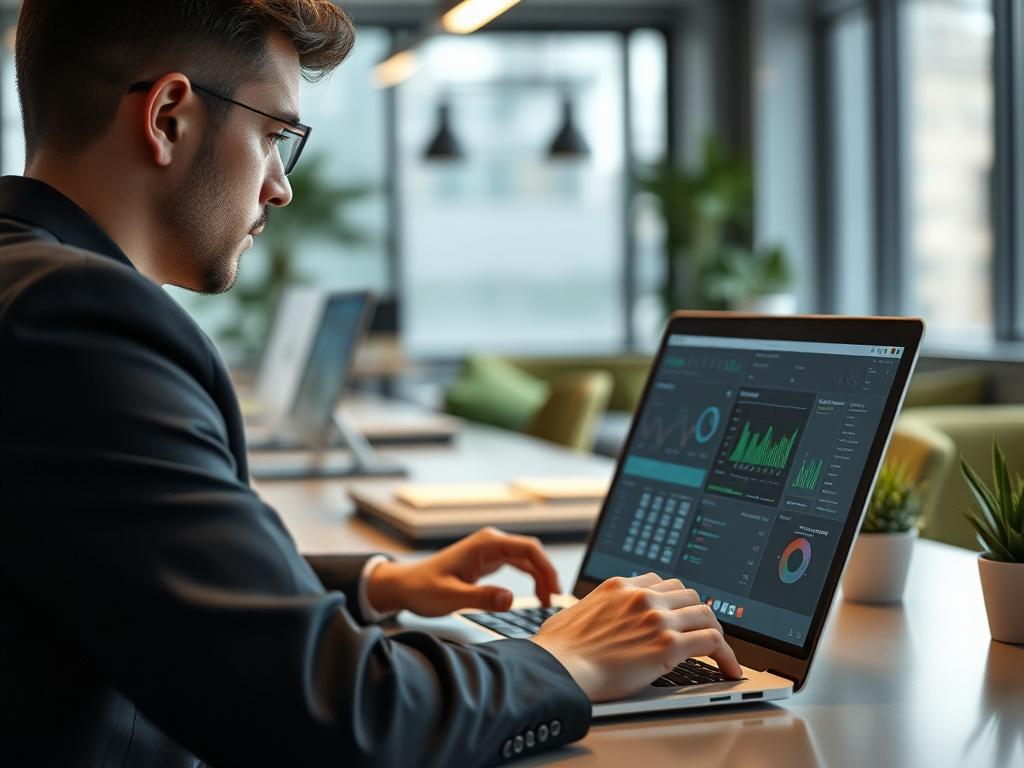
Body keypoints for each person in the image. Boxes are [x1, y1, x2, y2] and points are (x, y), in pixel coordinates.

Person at [0, 2, 741, 766]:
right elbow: (335, 718)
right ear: (168, 117)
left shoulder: (24, 285)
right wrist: (567, 661)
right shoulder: (77, 322)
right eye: (274, 134)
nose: (280, 187)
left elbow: (107, 558)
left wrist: (377, 584)